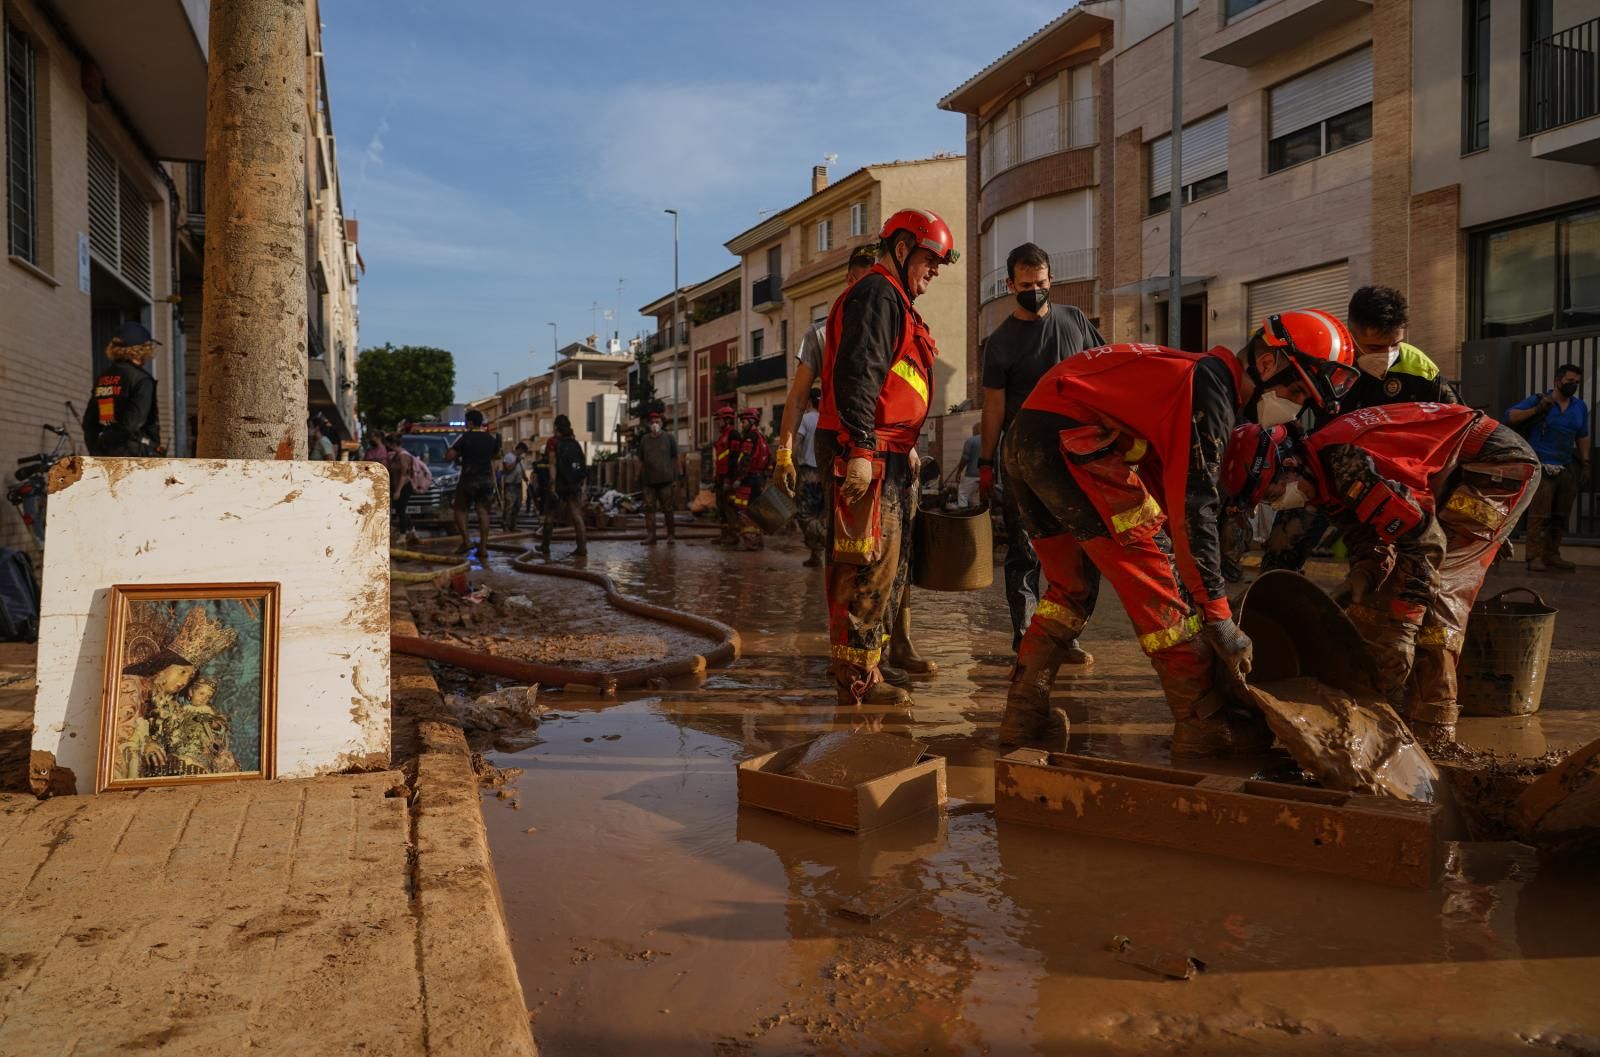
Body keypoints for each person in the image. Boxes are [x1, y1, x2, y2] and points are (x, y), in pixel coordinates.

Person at [998, 309, 1361, 754]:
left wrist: (1196, 577)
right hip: (1072, 440)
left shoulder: (1183, 376)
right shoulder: (1209, 389)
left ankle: (1024, 716)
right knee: (1160, 591)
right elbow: (1195, 508)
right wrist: (1217, 615)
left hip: (1027, 441)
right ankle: (1202, 722)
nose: (1295, 405)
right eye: (1295, 390)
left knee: (1071, 587)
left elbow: (1165, 488)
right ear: (1267, 363)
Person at [1223, 402, 1539, 746]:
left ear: (1289, 464)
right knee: (1394, 590)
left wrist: (1404, 627)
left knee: (1440, 589)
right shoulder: (1321, 468)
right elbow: (1366, 533)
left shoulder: (1351, 468)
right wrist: (1365, 572)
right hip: (1456, 464)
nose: (1278, 503)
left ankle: (1434, 727)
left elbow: (1425, 543)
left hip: (1495, 465)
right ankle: (1390, 701)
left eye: (1273, 493)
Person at [816, 207, 957, 708]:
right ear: (902, 249)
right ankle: (856, 679)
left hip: (888, 450)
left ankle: (867, 669)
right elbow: (859, 375)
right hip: (869, 452)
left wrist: (908, 442)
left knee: (886, 569)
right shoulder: (878, 294)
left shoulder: (893, 298)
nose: (935, 271)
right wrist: (859, 449)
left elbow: (893, 382)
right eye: (930, 259)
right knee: (865, 567)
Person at [1261, 285, 1459, 573]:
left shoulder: (1420, 369)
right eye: (1376, 348)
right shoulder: (1325, 362)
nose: (1388, 354)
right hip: (1323, 477)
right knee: (1280, 557)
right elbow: (1282, 416)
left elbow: (1457, 426)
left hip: (1389, 487)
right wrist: (1291, 465)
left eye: (1396, 344)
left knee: (1381, 567)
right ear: (1351, 332)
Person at [977, 242, 1104, 658]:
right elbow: (994, 406)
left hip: (1075, 458)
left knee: (1081, 549)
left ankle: (1064, 634)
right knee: (1025, 551)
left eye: (1042, 282)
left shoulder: (1076, 321)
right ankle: (1027, 639)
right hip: (1022, 463)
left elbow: (1100, 375)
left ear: (1052, 280)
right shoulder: (999, 342)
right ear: (1010, 284)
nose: (1035, 290)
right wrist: (985, 463)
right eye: (1026, 284)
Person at [1507, 364, 1590, 572]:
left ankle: (1552, 554)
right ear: (1557, 381)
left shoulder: (1579, 407)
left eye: (1577, 383)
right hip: (1541, 464)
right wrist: (1537, 409)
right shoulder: (1539, 400)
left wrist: (1586, 462)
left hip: (1566, 464)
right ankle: (1534, 557)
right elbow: (1510, 417)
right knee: (1539, 514)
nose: (1574, 385)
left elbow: (1582, 435)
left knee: (1561, 514)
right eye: (1570, 381)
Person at [83, 322, 162, 457]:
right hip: (135, 457)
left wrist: (98, 449)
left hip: (105, 455)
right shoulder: (142, 380)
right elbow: (133, 423)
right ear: (142, 350)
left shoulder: (104, 378)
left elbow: (89, 421)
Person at [445, 408, 501, 559]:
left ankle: (466, 541)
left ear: (469, 422)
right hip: (486, 479)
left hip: (469, 478)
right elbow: (496, 455)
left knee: (460, 509)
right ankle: (483, 548)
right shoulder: (490, 438)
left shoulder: (465, 437)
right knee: (482, 511)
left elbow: (449, 456)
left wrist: (454, 448)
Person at [540, 415, 588, 558]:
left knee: (549, 515)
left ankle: (545, 546)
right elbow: (581, 467)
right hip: (574, 484)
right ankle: (582, 548)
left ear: (556, 427)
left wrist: (552, 484)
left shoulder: (553, 442)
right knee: (577, 516)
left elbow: (552, 464)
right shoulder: (575, 443)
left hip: (560, 484)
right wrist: (581, 485)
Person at [792, 390, 825, 566]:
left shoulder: (806, 419)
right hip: (826, 475)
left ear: (809, 402)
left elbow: (796, 445)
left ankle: (826, 542)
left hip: (808, 473)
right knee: (819, 513)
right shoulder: (827, 419)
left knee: (804, 514)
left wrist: (791, 466)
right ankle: (816, 555)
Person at [731, 408, 772, 551]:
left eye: (744, 422)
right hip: (760, 480)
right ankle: (759, 542)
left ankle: (751, 543)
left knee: (744, 512)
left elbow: (745, 460)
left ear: (752, 421)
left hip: (748, 481)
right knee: (757, 512)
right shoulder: (762, 438)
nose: (742, 424)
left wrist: (739, 478)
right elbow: (769, 459)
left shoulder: (749, 438)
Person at [637, 411, 679, 545]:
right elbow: (641, 460)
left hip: (666, 479)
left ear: (662, 423)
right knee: (649, 509)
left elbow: (674, 458)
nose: (655, 424)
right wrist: (639, 478)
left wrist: (675, 478)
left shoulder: (669, 438)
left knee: (668, 508)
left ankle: (671, 535)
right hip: (648, 480)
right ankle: (651, 535)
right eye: (653, 422)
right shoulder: (644, 440)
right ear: (649, 424)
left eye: (658, 421)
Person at [385, 433, 423, 546]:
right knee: (401, 509)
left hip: (404, 487)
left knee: (401, 510)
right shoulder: (397, 455)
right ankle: (412, 531)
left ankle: (403, 534)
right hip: (399, 487)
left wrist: (398, 490)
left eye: (387, 444)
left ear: (391, 444)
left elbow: (404, 475)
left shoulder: (403, 456)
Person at [712, 405, 740, 545]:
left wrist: (729, 479)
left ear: (728, 420)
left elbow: (734, 458)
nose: (718, 422)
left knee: (729, 507)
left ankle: (733, 535)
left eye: (720, 419)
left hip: (728, 477)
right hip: (720, 477)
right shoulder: (722, 436)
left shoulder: (733, 435)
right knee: (721, 507)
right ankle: (724, 535)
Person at [501, 444, 530, 533]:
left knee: (517, 506)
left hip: (518, 485)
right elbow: (507, 469)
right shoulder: (508, 457)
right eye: (523, 451)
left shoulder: (521, 459)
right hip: (510, 485)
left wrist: (524, 477)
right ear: (519, 449)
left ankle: (513, 525)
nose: (523, 454)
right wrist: (516, 461)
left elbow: (522, 470)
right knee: (509, 506)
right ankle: (505, 525)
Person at [957, 423, 983, 508]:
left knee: (962, 494)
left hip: (972, 474)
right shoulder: (989, 440)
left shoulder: (970, 441)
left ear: (975, 430)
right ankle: (976, 514)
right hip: (984, 475)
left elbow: (965, 458)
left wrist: (959, 471)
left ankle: (963, 514)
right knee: (975, 496)